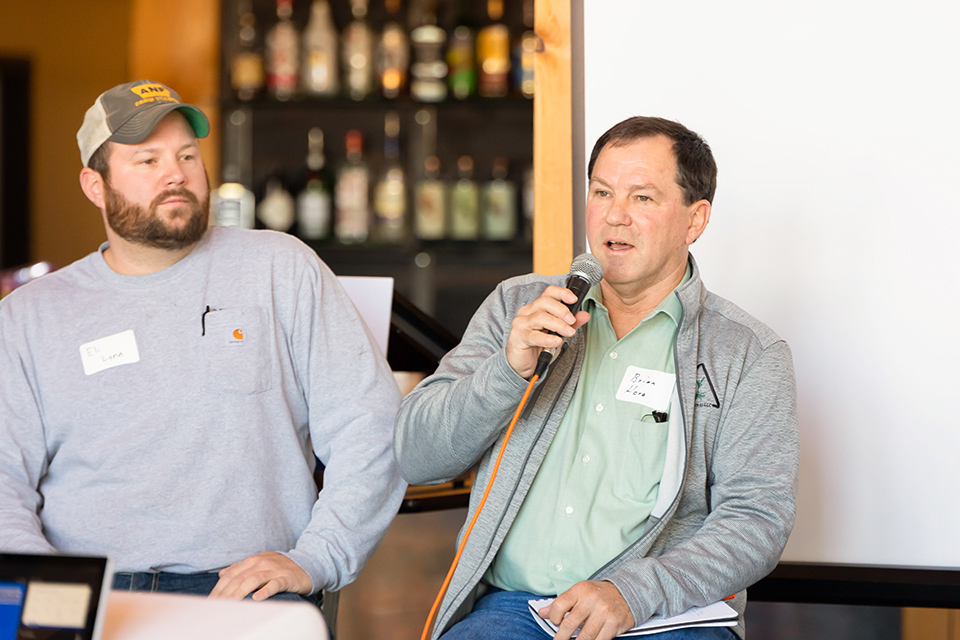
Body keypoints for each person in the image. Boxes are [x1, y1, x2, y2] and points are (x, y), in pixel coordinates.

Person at [0, 80, 406, 603]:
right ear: (94, 185)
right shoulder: (30, 315)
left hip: (244, 589)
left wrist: (316, 557)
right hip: (88, 592)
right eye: (147, 161)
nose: (176, 174)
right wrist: (45, 593)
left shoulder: (282, 268)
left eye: (187, 155)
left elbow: (368, 425)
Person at [395, 116, 799, 640]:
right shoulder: (518, 307)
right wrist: (508, 372)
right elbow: (416, 455)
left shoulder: (748, 353)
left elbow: (757, 519)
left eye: (643, 199)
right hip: (517, 611)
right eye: (602, 192)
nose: (615, 216)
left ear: (694, 220)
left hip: (661, 617)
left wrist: (635, 592)